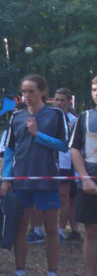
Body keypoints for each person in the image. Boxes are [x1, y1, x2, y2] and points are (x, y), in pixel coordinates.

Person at [0, 74, 69, 276]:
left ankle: (53, 275)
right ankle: (19, 273)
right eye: (24, 91)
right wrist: (6, 179)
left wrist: (38, 135)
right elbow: (9, 150)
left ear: (42, 92)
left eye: (31, 91)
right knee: (21, 228)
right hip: (20, 180)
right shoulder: (16, 117)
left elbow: (63, 145)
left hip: (47, 179)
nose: (26, 96)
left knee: (51, 229)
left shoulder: (55, 115)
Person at [68, 75, 97, 276]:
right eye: (95, 89)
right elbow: (75, 149)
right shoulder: (85, 117)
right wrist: (85, 178)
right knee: (91, 231)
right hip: (90, 182)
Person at [53, 88, 80, 242]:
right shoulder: (49, 116)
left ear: (69, 102)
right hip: (49, 161)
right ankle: (38, 229)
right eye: (56, 100)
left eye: (62, 100)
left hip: (66, 162)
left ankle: (61, 231)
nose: (59, 103)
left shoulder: (74, 120)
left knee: (65, 197)